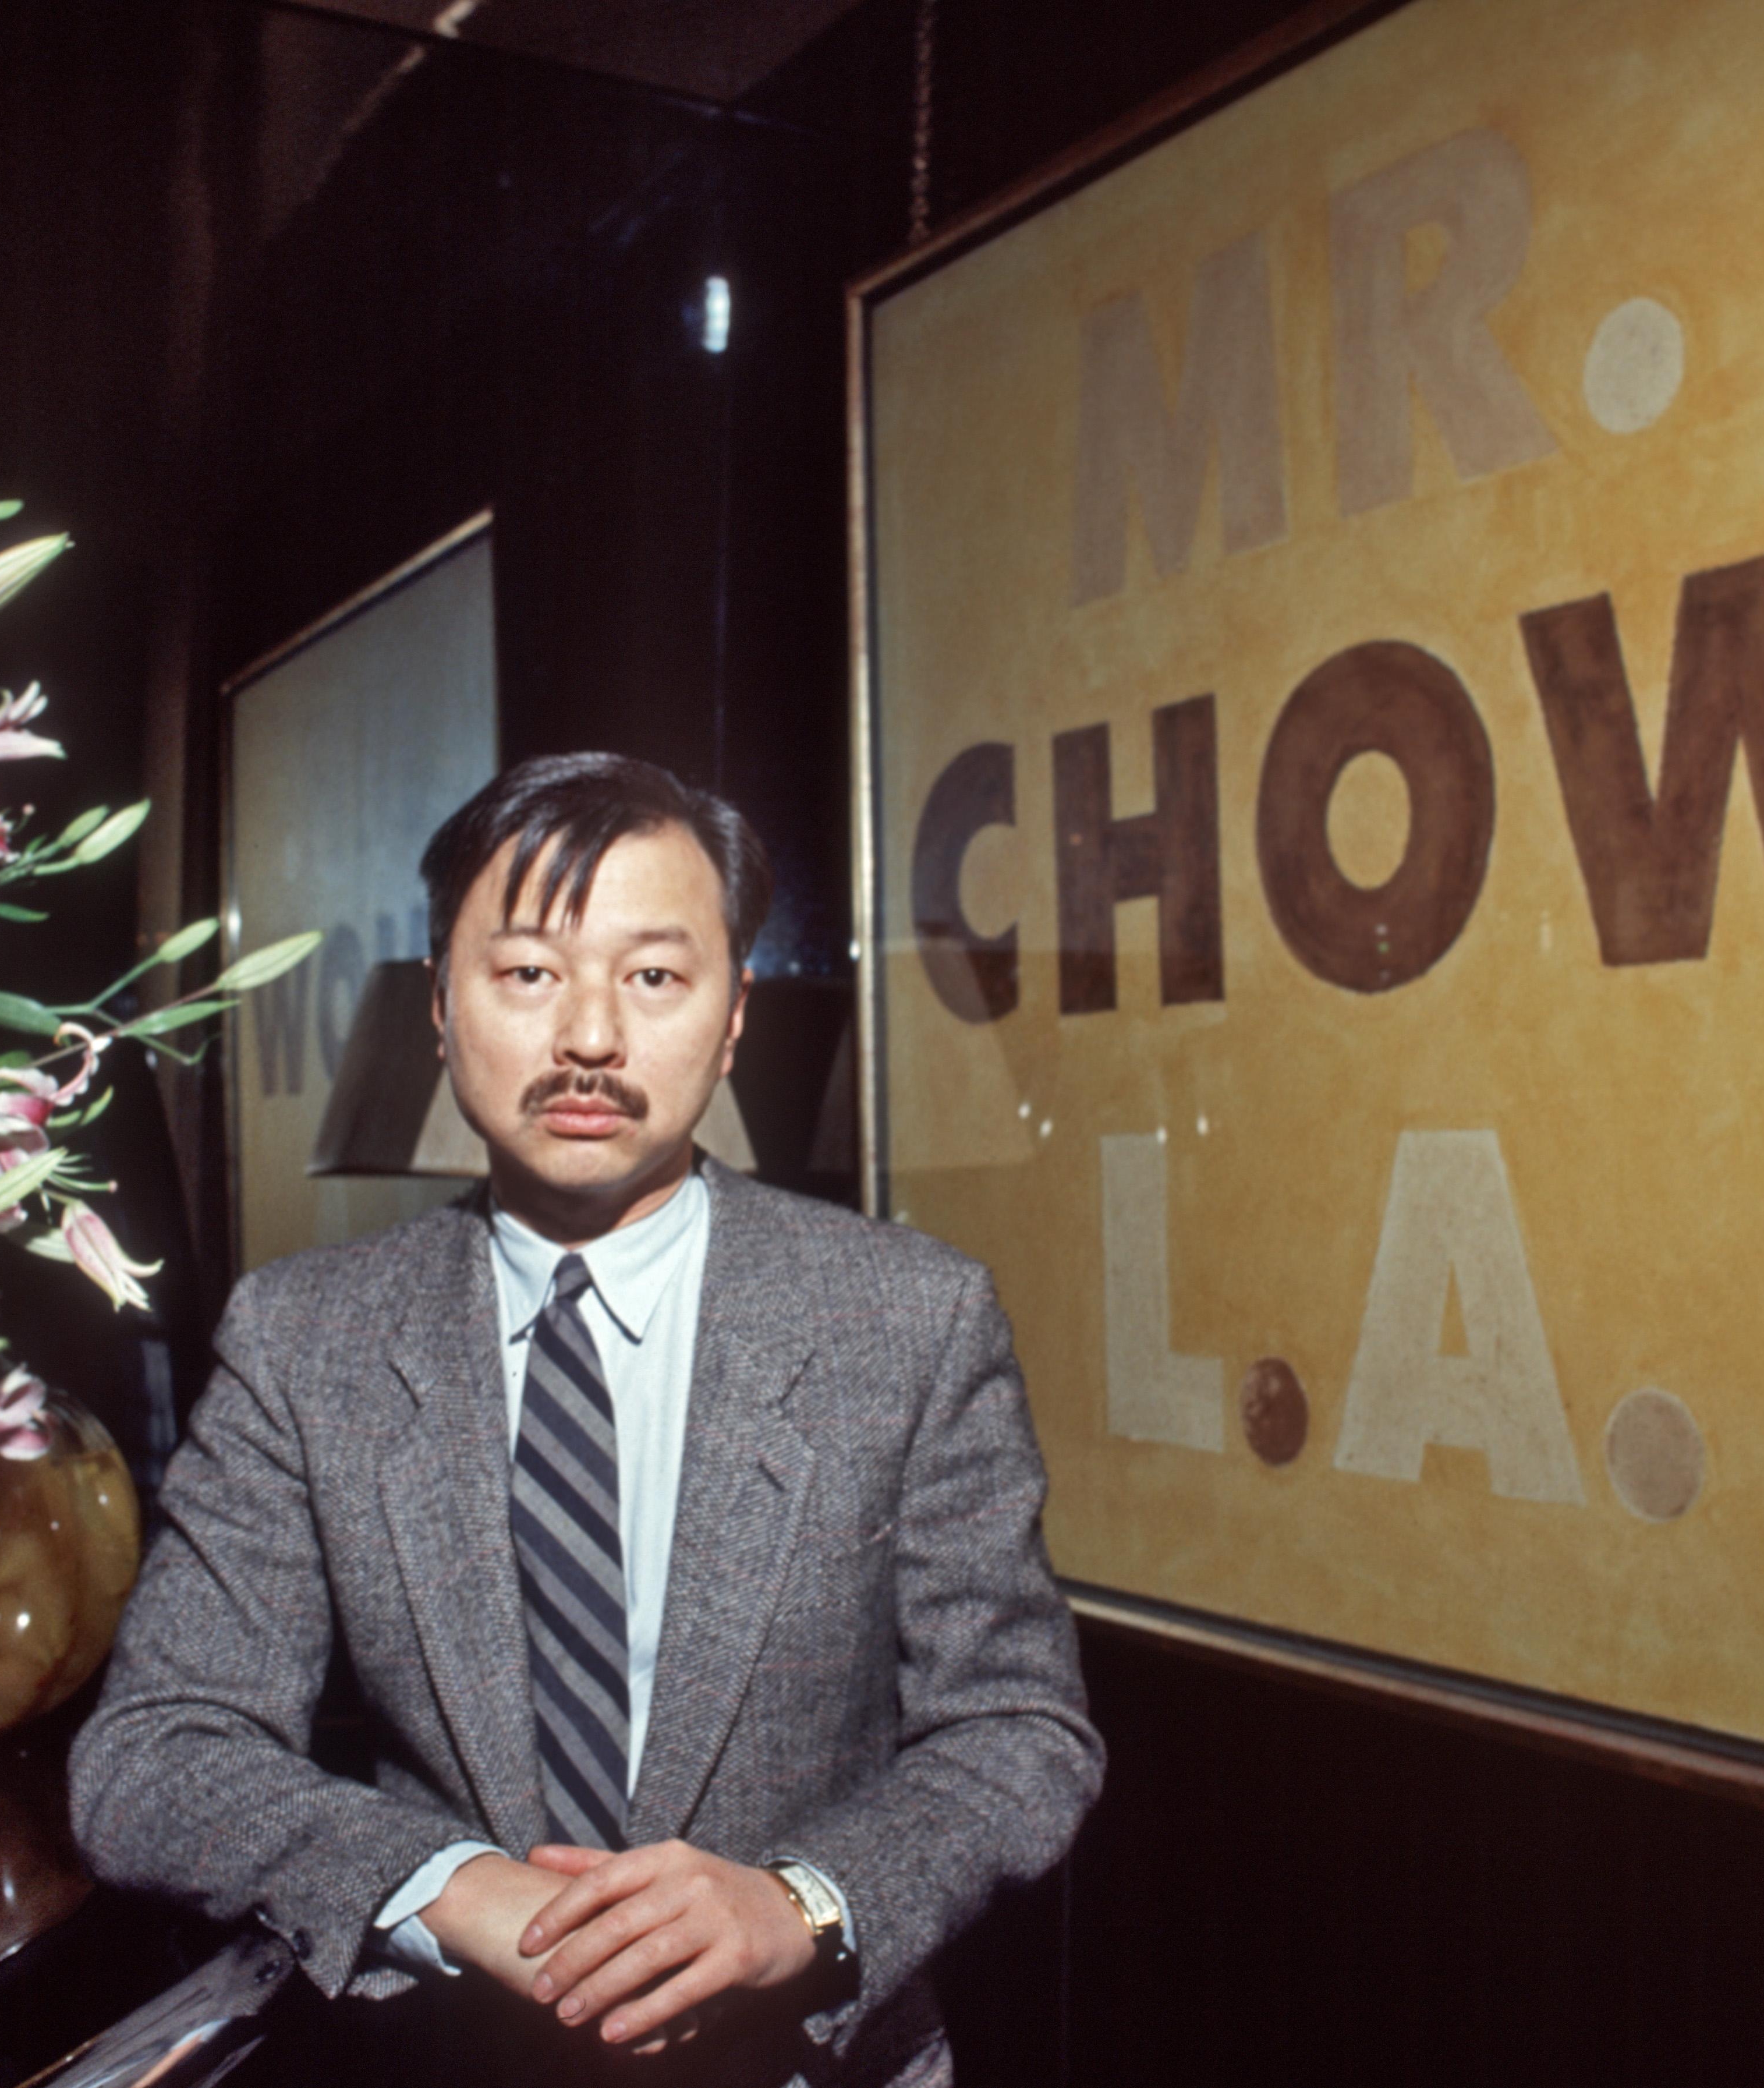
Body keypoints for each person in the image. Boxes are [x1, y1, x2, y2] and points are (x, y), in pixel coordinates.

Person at [70, 753, 1102, 2083]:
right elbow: (151, 1754)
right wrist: (448, 1884)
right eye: (528, 974)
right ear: (440, 1006)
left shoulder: (910, 1319)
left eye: (656, 975)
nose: (593, 1038)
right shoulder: (307, 1339)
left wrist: (803, 1904)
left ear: (732, 1017)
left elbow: (1018, 1731)